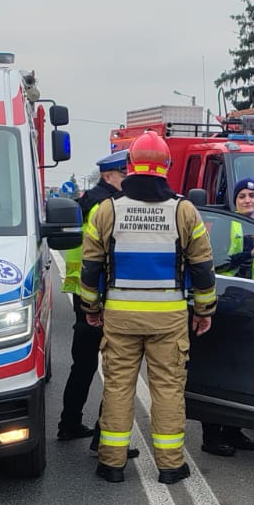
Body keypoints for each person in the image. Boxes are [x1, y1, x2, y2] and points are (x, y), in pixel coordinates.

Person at [80, 131, 216, 485]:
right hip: (168, 318)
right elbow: (202, 267)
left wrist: (91, 306)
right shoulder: (184, 210)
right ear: (166, 168)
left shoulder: (106, 210)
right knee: (168, 389)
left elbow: (91, 267)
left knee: (118, 387)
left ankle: (111, 463)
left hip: (120, 316)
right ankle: (170, 466)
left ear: (130, 168)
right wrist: (204, 311)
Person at [57, 150, 128, 443]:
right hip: (103, 297)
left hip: (82, 294)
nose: (128, 179)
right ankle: (103, 437)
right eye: (125, 174)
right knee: (117, 366)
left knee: (83, 365)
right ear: (109, 176)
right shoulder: (108, 206)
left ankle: (69, 423)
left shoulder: (86, 202)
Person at [202, 177, 254, 456]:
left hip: (253, 308)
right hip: (225, 305)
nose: (247, 200)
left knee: (243, 371)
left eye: (252, 196)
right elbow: (216, 263)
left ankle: (234, 430)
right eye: (242, 196)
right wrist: (249, 254)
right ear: (234, 201)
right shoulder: (224, 226)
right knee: (219, 371)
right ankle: (211, 437)